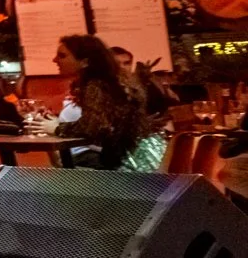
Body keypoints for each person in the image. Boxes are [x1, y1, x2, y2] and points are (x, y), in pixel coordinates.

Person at [57, 35, 166, 170]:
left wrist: (57, 128)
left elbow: (93, 127)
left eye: (62, 56)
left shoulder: (96, 85)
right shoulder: (117, 81)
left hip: (131, 164)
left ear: (84, 62)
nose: (55, 60)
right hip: (149, 153)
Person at [111, 46, 177, 118]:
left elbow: (162, 105)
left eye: (127, 63)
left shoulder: (144, 82)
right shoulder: (104, 88)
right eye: (116, 63)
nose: (122, 67)